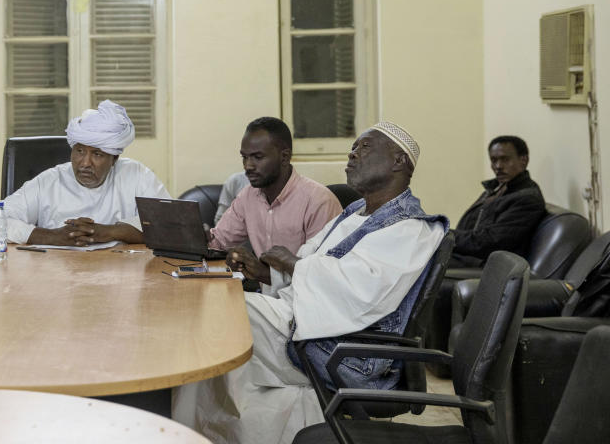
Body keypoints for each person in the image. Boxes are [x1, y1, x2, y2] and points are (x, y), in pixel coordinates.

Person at [173, 122, 448, 444]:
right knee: (209, 323)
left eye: (364, 148)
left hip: (342, 351)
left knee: (216, 311)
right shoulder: (357, 212)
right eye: (353, 149)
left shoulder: (409, 228)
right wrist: (266, 273)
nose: (352, 155)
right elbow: (313, 262)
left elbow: (360, 291)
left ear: (399, 161)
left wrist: (290, 264)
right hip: (307, 322)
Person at [0, 99, 171, 246]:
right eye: (79, 151)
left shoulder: (136, 175)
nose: (85, 163)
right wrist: (52, 236)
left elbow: (172, 227)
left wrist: (111, 232)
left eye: (97, 154)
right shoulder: (50, 181)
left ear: (114, 159)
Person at [209, 117, 342, 260]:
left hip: (303, 283)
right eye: (244, 157)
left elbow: (321, 270)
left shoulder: (319, 201)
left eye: (258, 157)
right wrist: (198, 238)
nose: (248, 166)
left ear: (284, 157)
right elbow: (219, 242)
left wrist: (263, 273)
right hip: (262, 282)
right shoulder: (248, 196)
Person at [450, 135, 546, 267]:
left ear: (524, 160)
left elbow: (489, 242)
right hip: (465, 256)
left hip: (485, 266)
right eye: (493, 160)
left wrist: (443, 236)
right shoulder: (496, 188)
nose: (498, 166)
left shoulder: (527, 198)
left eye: (505, 159)